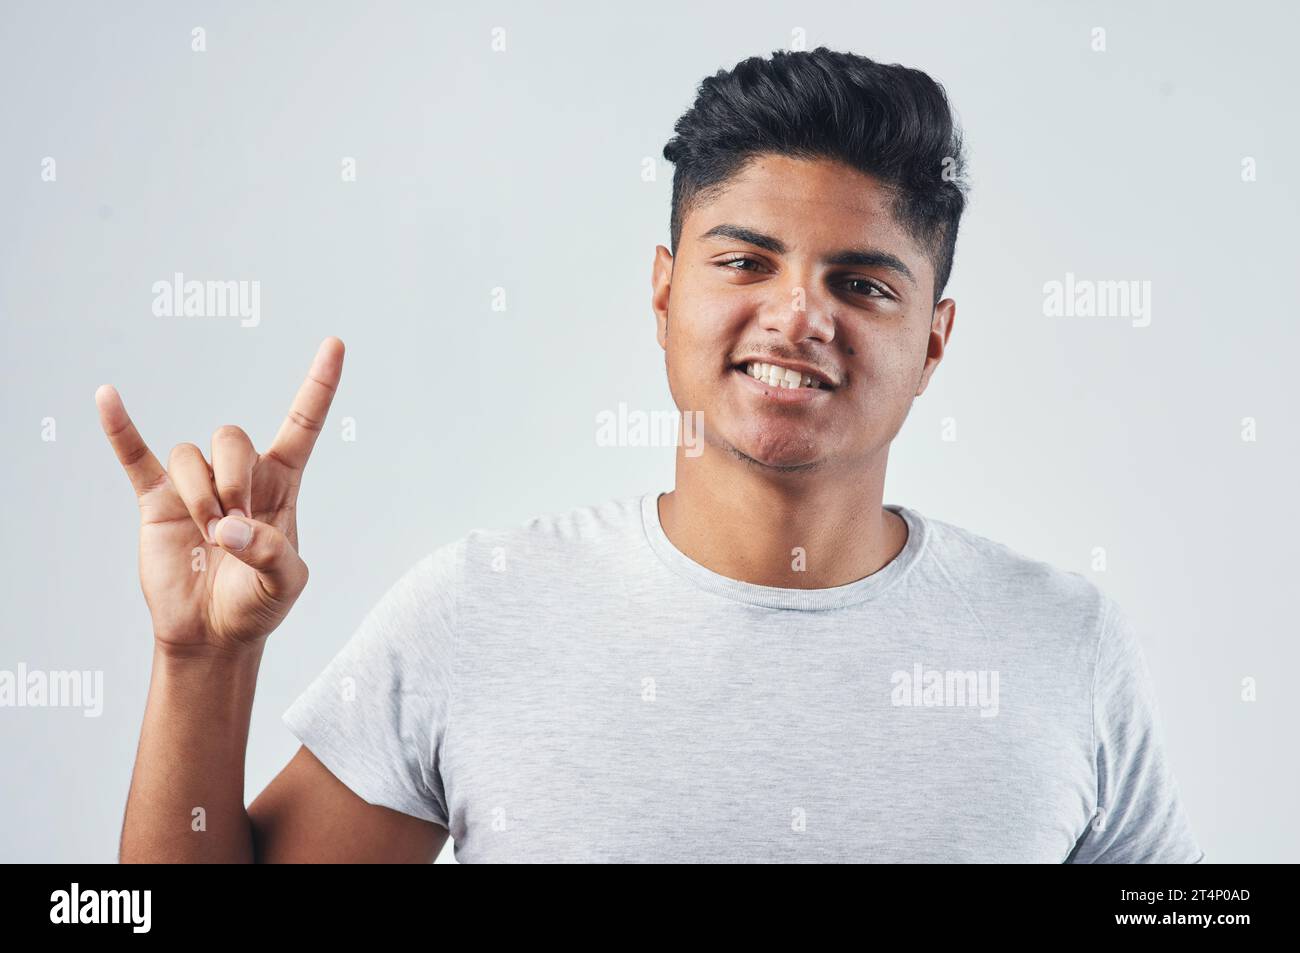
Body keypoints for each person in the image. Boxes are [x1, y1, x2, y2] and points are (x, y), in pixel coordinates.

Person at [100, 47, 1202, 863]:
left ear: (934, 340)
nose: (798, 316)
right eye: (747, 262)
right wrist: (201, 663)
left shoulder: (1064, 642)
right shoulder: (482, 610)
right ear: (666, 290)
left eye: (861, 283)